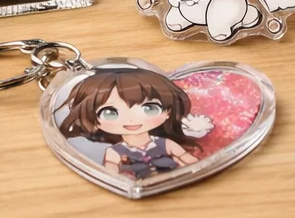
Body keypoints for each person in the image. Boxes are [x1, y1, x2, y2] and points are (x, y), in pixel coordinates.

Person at [58, 66, 210, 178]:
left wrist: (196, 170)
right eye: (110, 113)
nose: (131, 119)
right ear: (94, 120)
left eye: (149, 108)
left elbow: (186, 158)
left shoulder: (165, 144)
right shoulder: (115, 152)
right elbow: (111, 170)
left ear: (167, 112)